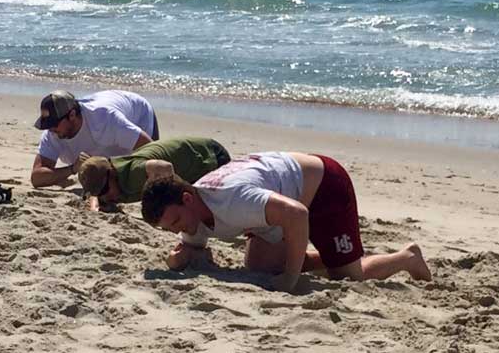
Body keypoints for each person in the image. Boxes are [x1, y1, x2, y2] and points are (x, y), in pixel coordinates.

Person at [139, 151, 433, 292]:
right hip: (281, 191)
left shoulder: (234, 200)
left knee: (348, 277)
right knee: (260, 268)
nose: (179, 230)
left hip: (324, 185)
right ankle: (332, 257)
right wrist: (179, 259)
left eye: (176, 221)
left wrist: (291, 280)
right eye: (170, 228)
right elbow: (193, 250)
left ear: (188, 198)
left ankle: (407, 257)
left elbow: (297, 214)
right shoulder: (192, 214)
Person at [29, 89, 159, 188]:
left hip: (138, 114)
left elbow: (153, 150)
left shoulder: (106, 120)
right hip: (105, 138)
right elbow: (37, 178)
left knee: (149, 175)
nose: (51, 130)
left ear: (72, 115)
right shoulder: (53, 133)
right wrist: (72, 169)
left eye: (54, 124)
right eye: (48, 125)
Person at [77, 136, 232, 210]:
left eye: (103, 190)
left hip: (211, 157)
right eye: (98, 192)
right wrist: (95, 205)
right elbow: (96, 195)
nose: (104, 196)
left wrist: (169, 200)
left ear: (112, 175)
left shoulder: (133, 172)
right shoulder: (110, 180)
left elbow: (164, 167)